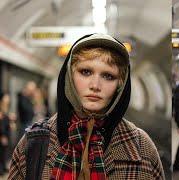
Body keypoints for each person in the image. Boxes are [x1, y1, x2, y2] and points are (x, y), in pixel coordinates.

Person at [9, 34, 164, 179]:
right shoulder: (33, 143)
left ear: (120, 85)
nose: (95, 85)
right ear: (69, 76)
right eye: (85, 72)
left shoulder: (142, 147)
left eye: (108, 76)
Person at [0, 92, 11, 175]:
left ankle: (3, 167)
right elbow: (1, 123)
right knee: (2, 151)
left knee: (5, 151)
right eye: (6, 97)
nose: (8, 99)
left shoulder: (5, 107)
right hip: (3, 134)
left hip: (6, 133)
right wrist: (2, 135)